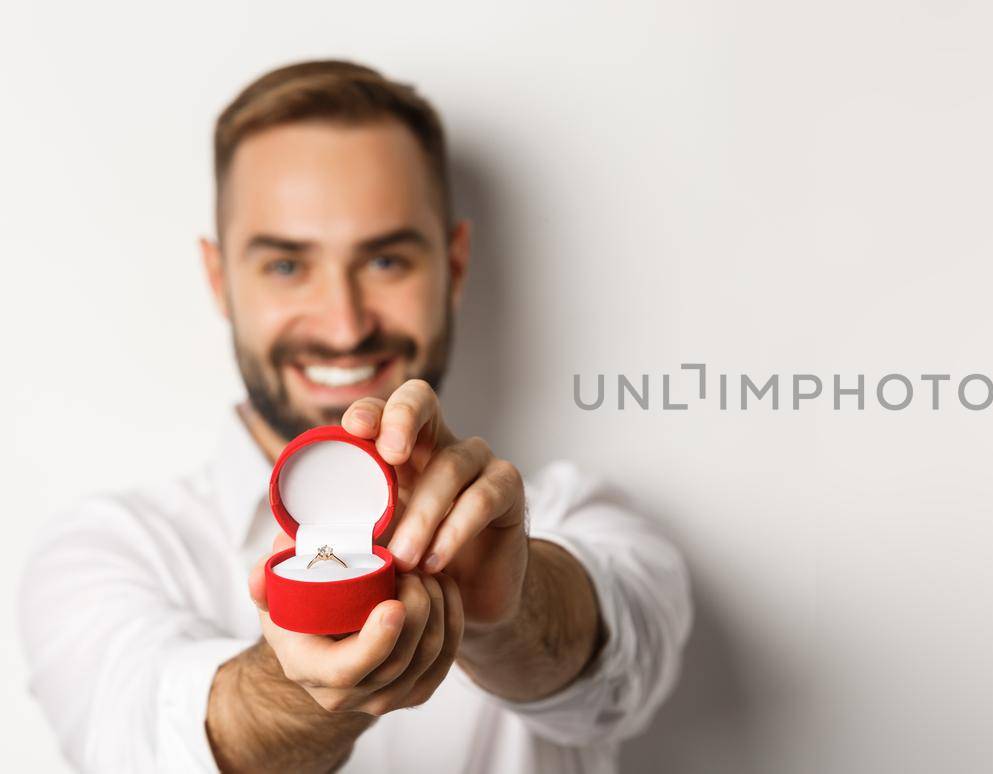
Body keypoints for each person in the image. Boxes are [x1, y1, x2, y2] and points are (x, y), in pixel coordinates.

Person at [18, 60, 692, 773]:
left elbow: (618, 675)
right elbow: (145, 749)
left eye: (385, 261)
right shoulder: (108, 551)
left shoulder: (577, 514)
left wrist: (511, 604)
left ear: (455, 268)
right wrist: (300, 686)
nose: (344, 327)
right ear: (220, 281)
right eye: (286, 266)